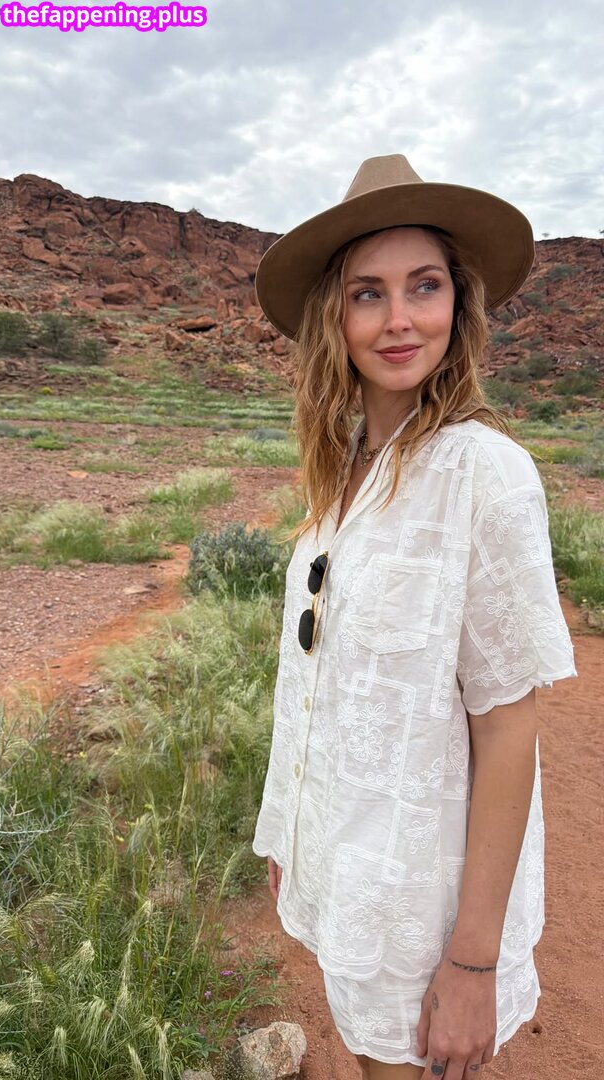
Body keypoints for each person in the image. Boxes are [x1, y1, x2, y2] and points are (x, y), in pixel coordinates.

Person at [251, 154, 578, 1079]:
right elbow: (316, 678)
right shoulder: (344, 469)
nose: (399, 319)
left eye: (423, 286)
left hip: (418, 904)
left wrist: (472, 964)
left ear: (457, 304)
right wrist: (291, 833)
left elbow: (507, 726)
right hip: (343, 869)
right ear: (336, 317)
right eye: (369, 293)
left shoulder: (484, 474)